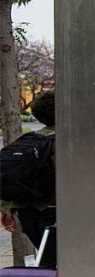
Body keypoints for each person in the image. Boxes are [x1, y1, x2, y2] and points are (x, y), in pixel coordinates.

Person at [1, 91, 57, 267]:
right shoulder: (68, 140)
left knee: (48, 262)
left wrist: (6, 208)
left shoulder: (30, 140)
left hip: (29, 213)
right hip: (55, 212)